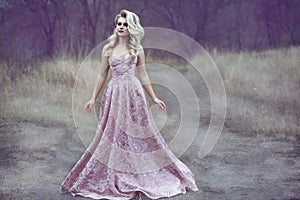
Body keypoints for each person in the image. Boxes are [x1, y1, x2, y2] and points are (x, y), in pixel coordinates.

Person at [60, 9, 198, 200]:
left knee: (138, 135)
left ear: (131, 27)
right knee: (112, 134)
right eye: (119, 24)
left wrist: (154, 97)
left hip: (134, 95)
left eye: (125, 24)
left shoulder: (137, 49)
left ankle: (138, 170)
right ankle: (116, 170)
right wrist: (93, 97)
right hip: (114, 94)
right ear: (116, 26)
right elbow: (102, 75)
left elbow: (143, 75)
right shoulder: (108, 49)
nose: (121, 27)